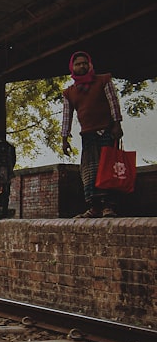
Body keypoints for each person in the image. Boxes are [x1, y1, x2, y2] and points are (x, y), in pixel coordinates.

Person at [61, 51, 123, 218]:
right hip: (87, 136)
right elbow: (67, 115)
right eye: (78, 64)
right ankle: (94, 207)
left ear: (89, 65)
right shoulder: (69, 92)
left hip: (106, 131)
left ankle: (108, 206)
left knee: (108, 169)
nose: (82, 66)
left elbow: (113, 102)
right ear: (72, 68)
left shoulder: (104, 80)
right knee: (89, 172)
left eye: (84, 63)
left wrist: (117, 124)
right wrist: (64, 138)